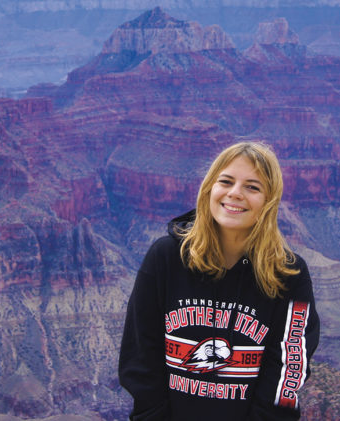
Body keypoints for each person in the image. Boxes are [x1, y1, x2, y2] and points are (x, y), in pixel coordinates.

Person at [119, 141, 320, 420]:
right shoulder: (165, 258)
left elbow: (287, 372)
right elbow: (140, 357)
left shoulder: (287, 275)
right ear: (209, 189)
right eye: (226, 181)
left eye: (253, 187)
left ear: (269, 201)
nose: (235, 193)